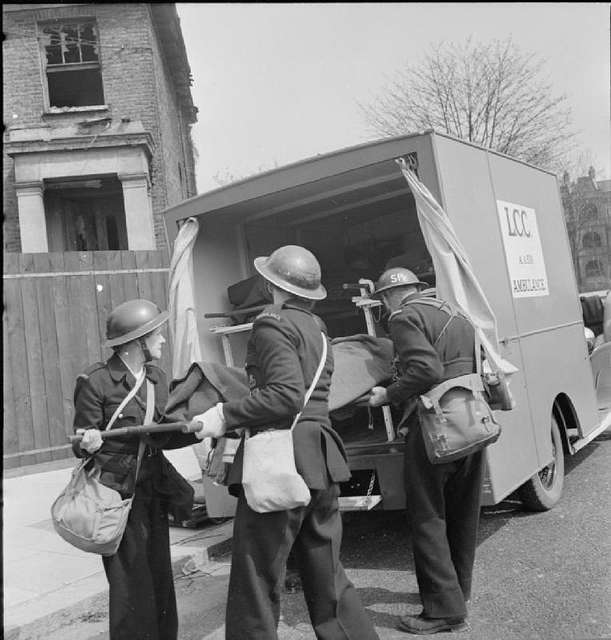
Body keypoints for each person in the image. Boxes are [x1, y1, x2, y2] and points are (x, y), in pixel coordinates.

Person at [190, 245, 379, 640]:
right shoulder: (316, 327)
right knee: (326, 572)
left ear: (270, 283)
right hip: (319, 456)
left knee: (256, 575)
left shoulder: (271, 323)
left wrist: (223, 414)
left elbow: (284, 395)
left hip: (280, 457)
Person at [368, 268, 484, 635]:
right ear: (417, 288)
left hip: (434, 425)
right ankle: (457, 593)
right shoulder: (454, 313)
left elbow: (425, 369)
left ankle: (443, 612)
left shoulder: (404, 317)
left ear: (389, 297)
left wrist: (388, 394)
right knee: (464, 510)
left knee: (428, 516)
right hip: (471, 419)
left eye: (384, 301)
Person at [73, 298, 196, 640]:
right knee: (130, 585)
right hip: (116, 499)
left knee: (159, 576)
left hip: (153, 493)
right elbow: (79, 440)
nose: (163, 340)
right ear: (136, 342)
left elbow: (160, 437)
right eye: (157, 334)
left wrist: (197, 429)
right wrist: (88, 442)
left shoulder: (155, 378)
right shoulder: (96, 381)